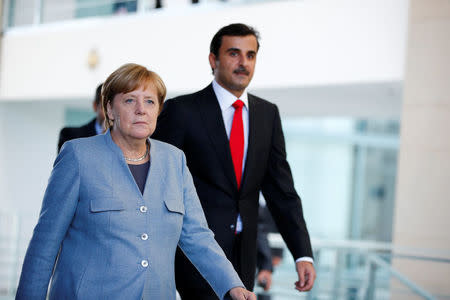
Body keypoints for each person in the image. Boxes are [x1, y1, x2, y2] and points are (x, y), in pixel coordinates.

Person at [15, 63, 256, 300]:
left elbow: (197, 235)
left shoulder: (175, 160)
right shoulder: (78, 155)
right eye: (130, 100)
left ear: (158, 110)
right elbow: (45, 242)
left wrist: (232, 285)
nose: (141, 109)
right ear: (110, 109)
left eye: (150, 101)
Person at [152, 23, 316, 299]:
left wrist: (302, 253)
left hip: (246, 254)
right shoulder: (182, 111)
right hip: (195, 253)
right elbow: (159, 183)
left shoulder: (268, 114)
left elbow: (282, 191)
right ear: (213, 60)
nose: (243, 63)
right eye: (234, 54)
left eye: (250, 55)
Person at [57, 83, 104, 153]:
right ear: (95, 106)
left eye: (114, 108)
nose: (111, 114)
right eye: (105, 107)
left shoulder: (125, 138)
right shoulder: (71, 137)